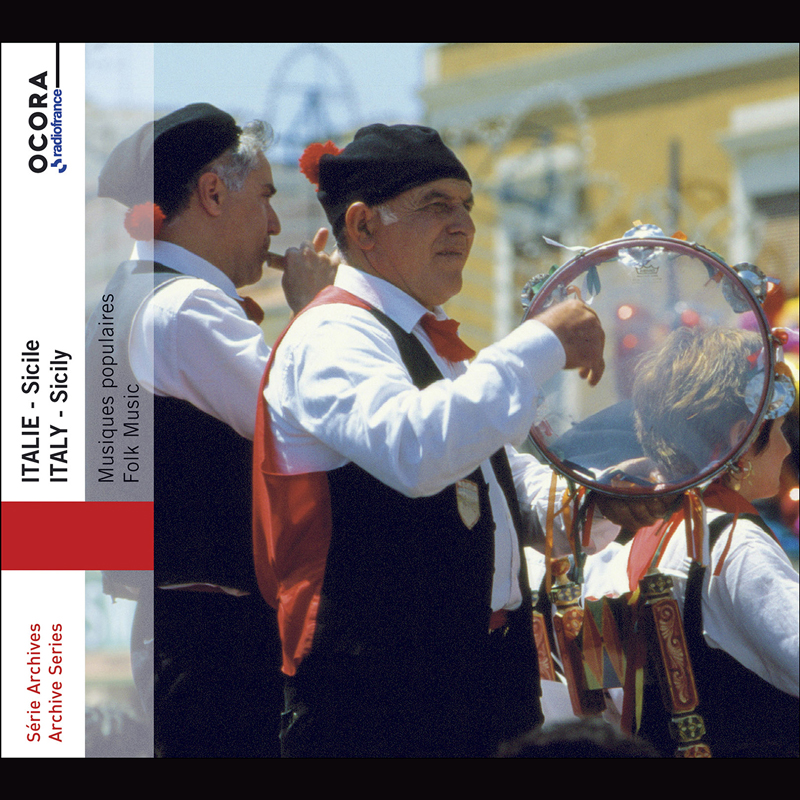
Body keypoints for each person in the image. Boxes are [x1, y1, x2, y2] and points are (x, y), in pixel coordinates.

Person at [252, 123, 672, 757]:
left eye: (467, 206)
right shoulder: (333, 334)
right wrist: (541, 341)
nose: (464, 226)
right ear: (364, 228)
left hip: (479, 679)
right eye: (436, 206)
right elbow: (416, 453)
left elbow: (491, 485)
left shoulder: (424, 340)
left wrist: (595, 498)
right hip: (380, 695)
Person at [86, 103, 336, 757]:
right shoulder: (184, 306)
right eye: (266, 197)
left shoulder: (134, 294)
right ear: (213, 193)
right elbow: (308, 423)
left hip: (184, 630)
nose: (278, 225)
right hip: (218, 638)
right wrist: (319, 316)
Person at [584, 326, 799, 757]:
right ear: (742, 434)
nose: (786, 449)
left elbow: (603, 699)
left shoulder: (623, 550)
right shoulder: (734, 546)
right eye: (776, 429)